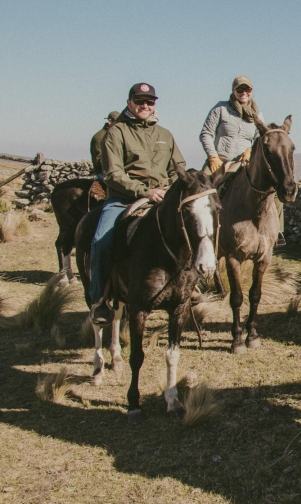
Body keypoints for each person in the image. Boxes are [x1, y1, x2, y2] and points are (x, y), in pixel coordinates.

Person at [89, 83, 186, 325]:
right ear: (129, 102)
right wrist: (145, 191)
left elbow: (178, 168)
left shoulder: (165, 135)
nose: (145, 105)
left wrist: (168, 191)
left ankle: (189, 288)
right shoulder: (116, 133)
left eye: (149, 101)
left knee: (191, 232)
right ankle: (100, 299)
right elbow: (113, 174)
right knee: (101, 242)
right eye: (139, 101)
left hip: (161, 198)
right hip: (124, 199)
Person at [200, 76, 284, 245]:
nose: (244, 93)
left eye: (247, 89)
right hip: (219, 161)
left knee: (272, 190)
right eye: (240, 89)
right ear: (233, 90)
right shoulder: (220, 109)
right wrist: (212, 156)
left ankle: (277, 232)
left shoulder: (257, 115)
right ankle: (199, 230)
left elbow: (261, 138)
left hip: (244, 163)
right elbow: (206, 134)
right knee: (201, 190)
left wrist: (250, 150)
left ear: (252, 91)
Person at [89, 111, 120, 177]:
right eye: (117, 122)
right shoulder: (99, 137)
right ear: (110, 121)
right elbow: (98, 160)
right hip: (103, 173)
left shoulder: (117, 135)